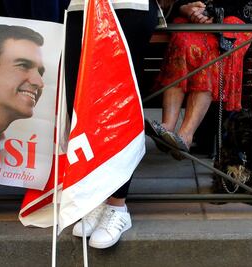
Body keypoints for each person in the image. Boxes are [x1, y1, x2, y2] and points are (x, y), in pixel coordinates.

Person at [65, 0, 159, 249]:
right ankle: (95, 197)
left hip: (129, 5)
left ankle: (117, 206)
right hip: (79, 7)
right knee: (78, 99)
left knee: (119, 101)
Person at [147, 0, 252, 158]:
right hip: (190, 17)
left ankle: (185, 136)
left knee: (210, 52)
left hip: (233, 18)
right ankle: (167, 127)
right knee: (182, 42)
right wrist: (184, 8)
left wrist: (213, 12)